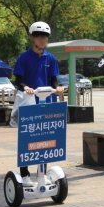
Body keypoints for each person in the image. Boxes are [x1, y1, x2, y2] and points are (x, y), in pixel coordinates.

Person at [13, 21, 64, 186]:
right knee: (27, 139)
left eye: (44, 36)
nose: (42, 39)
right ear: (31, 38)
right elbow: (18, 80)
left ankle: (42, 172)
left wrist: (58, 89)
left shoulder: (51, 58)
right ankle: (24, 173)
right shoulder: (24, 58)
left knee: (46, 139)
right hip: (29, 104)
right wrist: (25, 87)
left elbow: (54, 80)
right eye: (38, 36)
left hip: (47, 103)